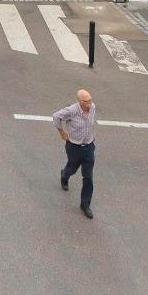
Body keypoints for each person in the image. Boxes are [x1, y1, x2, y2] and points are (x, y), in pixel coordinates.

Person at [52, 88, 97, 219]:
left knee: (88, 177)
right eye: (86, 102)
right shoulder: (71, 110)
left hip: (89, 147)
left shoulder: (93, 107)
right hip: (74, 147)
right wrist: (62, 132)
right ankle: (64, 175)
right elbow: (56, 116)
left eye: (90, 100)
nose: (89, 104)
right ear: (80, 101)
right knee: (72, 168)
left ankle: (85, 204)